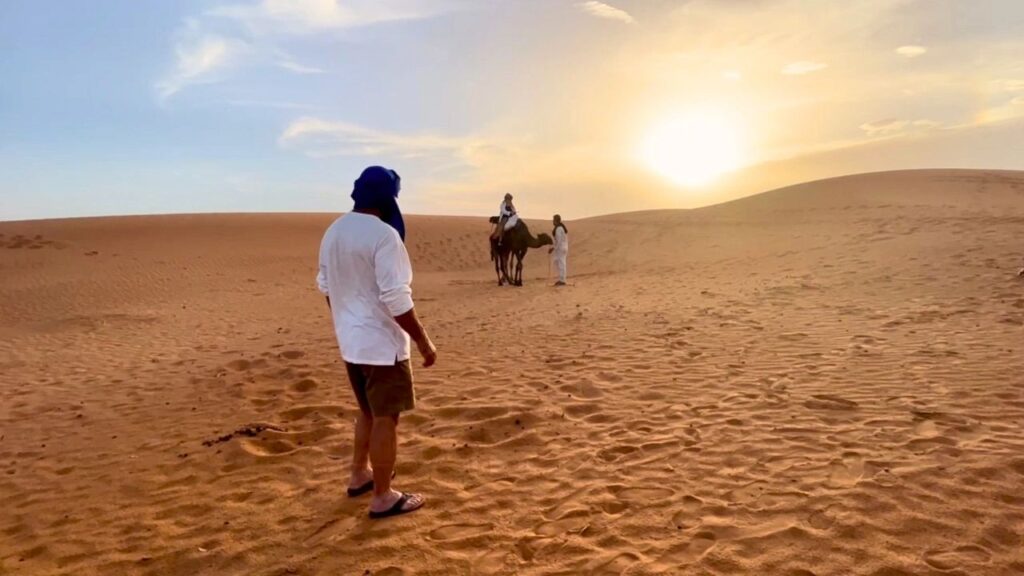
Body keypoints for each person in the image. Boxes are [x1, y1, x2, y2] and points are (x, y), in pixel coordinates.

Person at [316, 166, 437, 519]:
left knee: (367, 410)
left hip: (351, 343)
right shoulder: (384, 236)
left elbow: (326, 286)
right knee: (387, 417)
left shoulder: (333, 231)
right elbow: (396, 298)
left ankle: (359, 474)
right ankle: (383, 495)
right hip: (382, 346)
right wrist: (424, 341)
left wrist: (346, 320)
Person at [550, 214, 569, 286]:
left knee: (561, 263)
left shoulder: (558, 229)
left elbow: (558, 241)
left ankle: (562, 280)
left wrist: (553, 248)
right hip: (562, 247)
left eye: (553, 220)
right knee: (559, 262)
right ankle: (561, 279)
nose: (552, 221)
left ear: (556, 220)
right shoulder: (561, 227)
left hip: (560, 248)